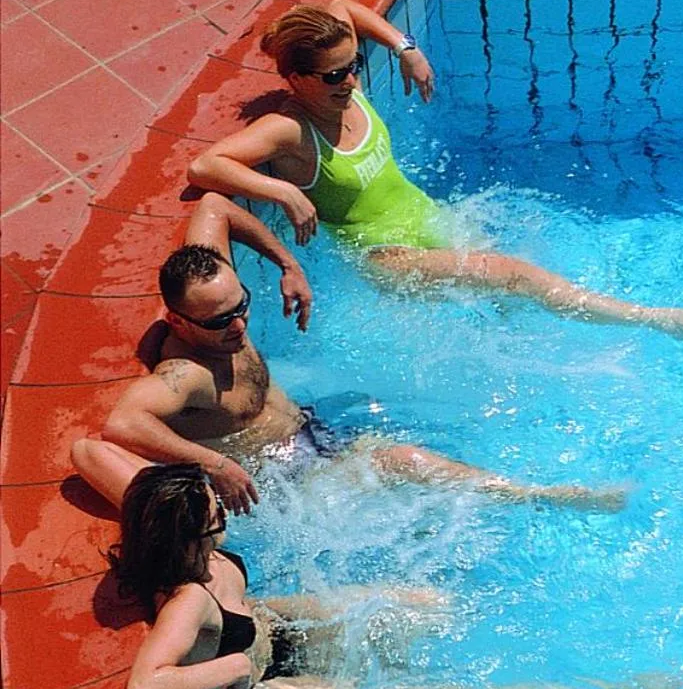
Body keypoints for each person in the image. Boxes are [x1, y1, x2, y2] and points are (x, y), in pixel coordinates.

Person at [187, 0, 683, 338]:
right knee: (518, 276)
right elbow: (204, 165)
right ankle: (663, 321)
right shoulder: (291, 129)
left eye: (352, 67)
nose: (351, 82)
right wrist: (278, 191)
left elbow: (343, 6)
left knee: (513, 304)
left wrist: (405, 47)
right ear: (297, 80)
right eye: (334, 76)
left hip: (427, 221)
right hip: (387, 257)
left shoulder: (339, 84)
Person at [71, 193, 626, 515]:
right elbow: (120, 423)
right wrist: (217, 465)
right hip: (290, 482)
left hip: (314, 433)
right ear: (178, 321)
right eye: (219, 322)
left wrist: (286, 262)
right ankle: (540, 498)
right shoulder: (186, 374)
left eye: (242, 306)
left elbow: (215, 205)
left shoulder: (213, 288)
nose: (238, 324)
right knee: (405, 462)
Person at [112, 463, 679, 689]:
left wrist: (209, 465)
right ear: (186, 533)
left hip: (272, 623)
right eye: (216, 517)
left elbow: (91, 452)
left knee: (423, 604)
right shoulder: (186, 601)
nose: (225, 519)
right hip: (272, 687)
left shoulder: (191, 545)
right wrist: (233, 664)